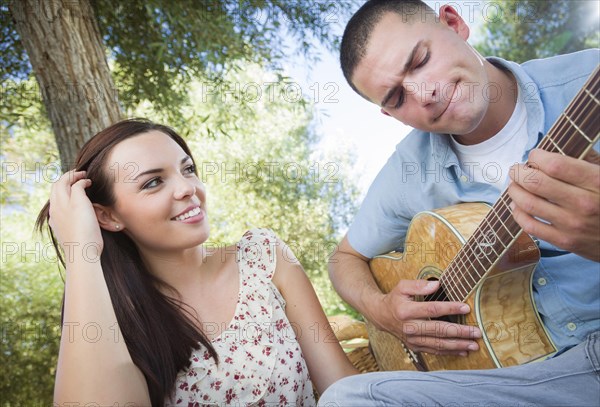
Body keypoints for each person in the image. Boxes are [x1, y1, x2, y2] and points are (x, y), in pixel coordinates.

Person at [318, 0, 599, 405]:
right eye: (397, 97)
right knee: (346, 400)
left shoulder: (585, 82)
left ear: (454, 23)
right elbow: (343, 258)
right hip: (524, 381)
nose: (424, 94)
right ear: (389, 114)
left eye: (420, 60)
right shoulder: (407, 169)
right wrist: (382, 311)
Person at [37, 119, 357, 406]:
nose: (188, 188)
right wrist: (81, 252)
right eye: (153, 182)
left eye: (187, 169)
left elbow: (342, 385)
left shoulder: (264, 256)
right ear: (107, 216)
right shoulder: (117, 322)